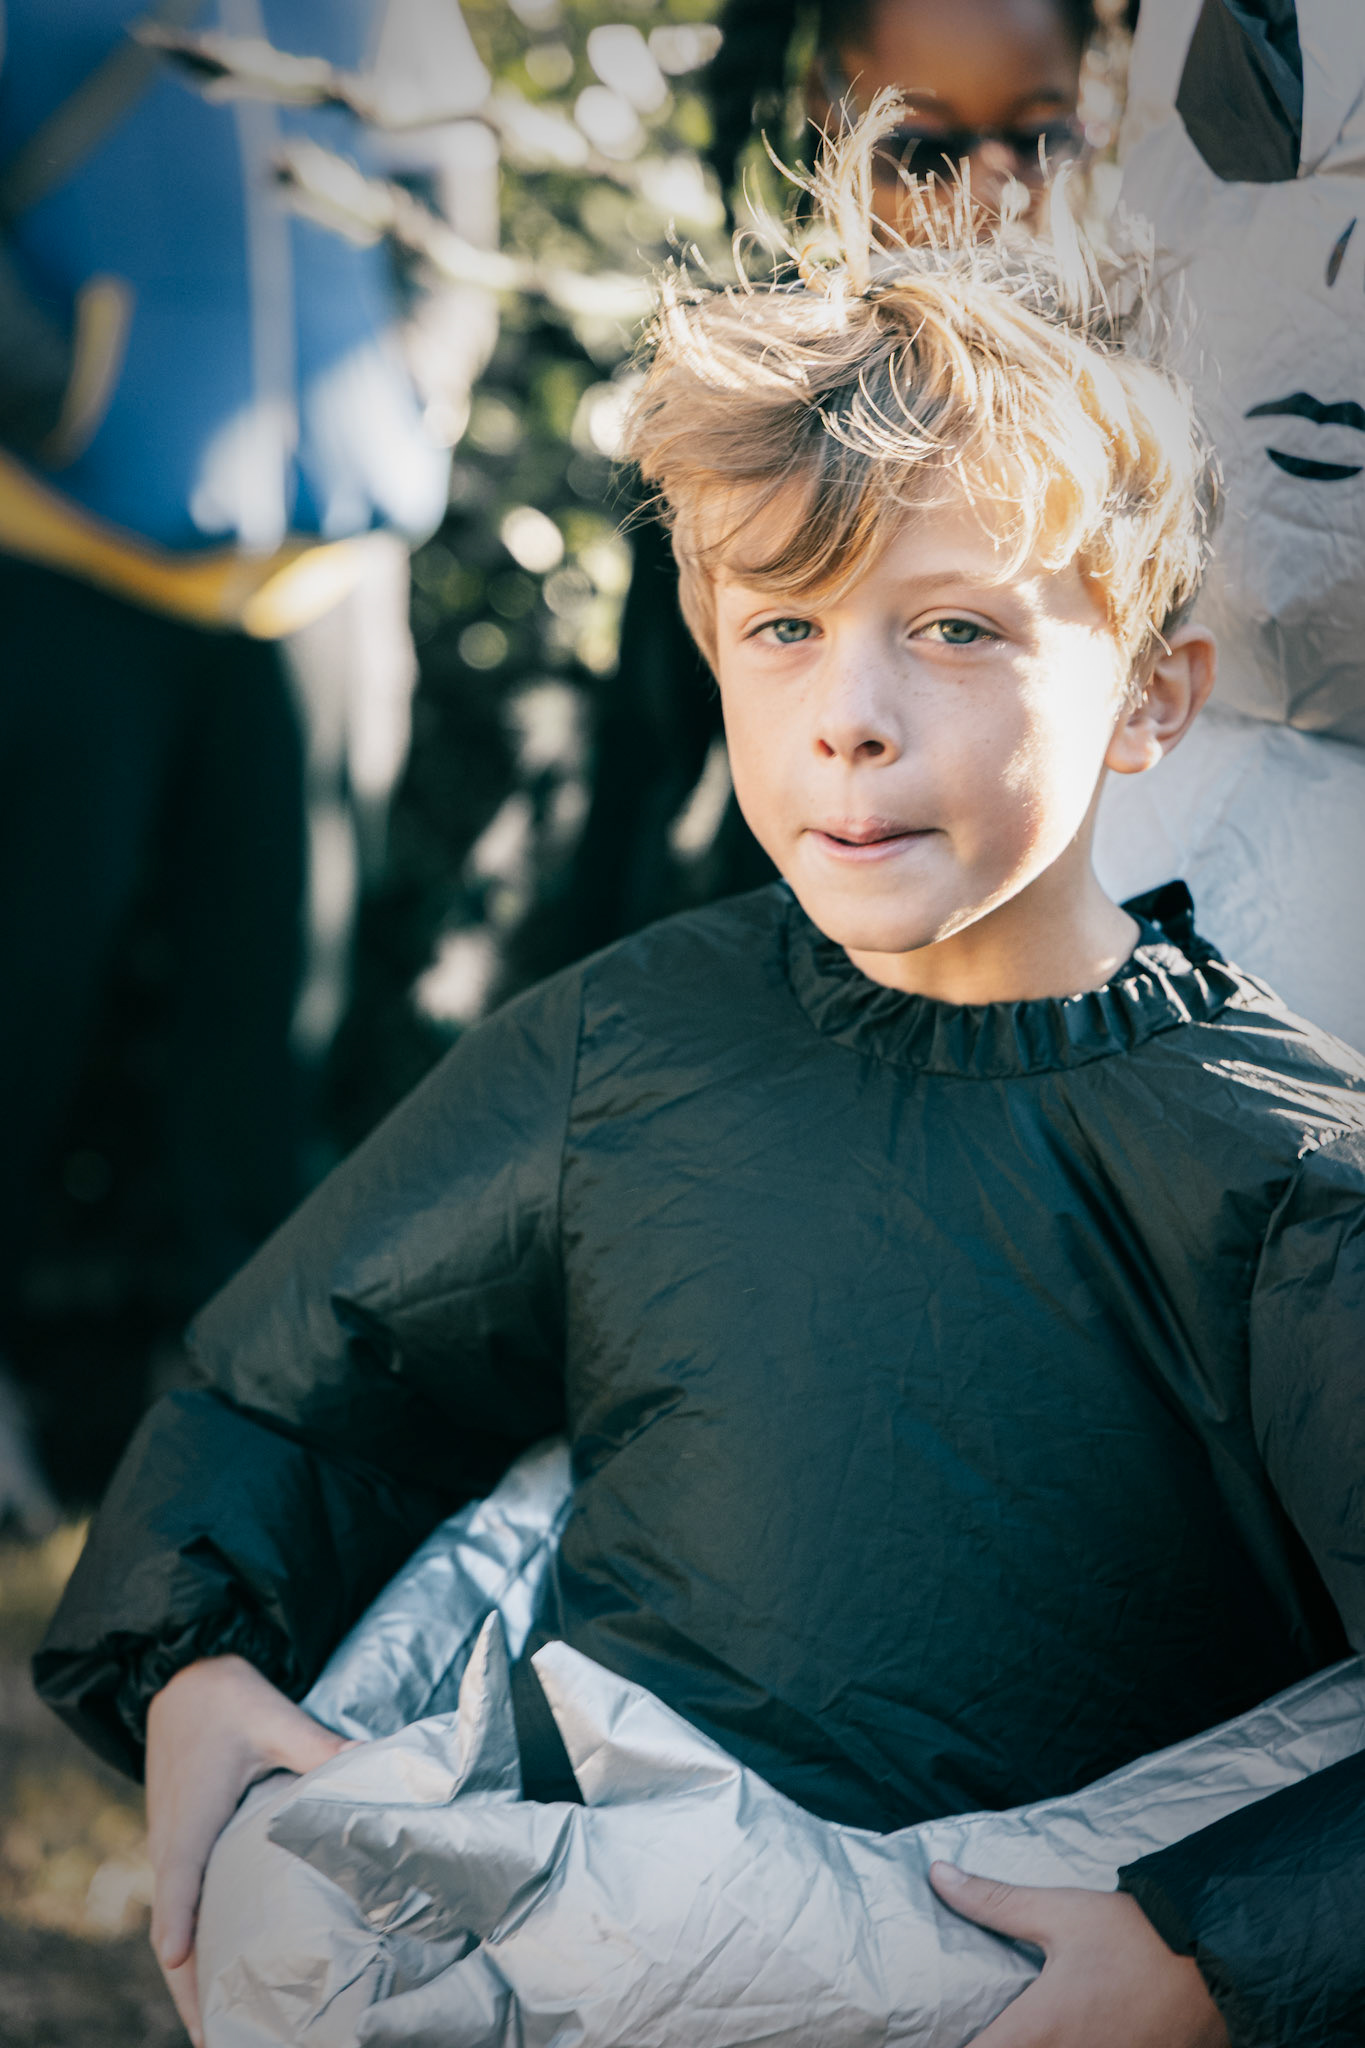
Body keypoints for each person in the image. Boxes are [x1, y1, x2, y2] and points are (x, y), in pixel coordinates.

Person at [35, 108, 1365, 2048]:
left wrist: (1209, 1956)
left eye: (954, 628)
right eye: (786, 627)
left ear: (1152, 691)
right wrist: (195, 1661)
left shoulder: (1275, 1174)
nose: (848, 717)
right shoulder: (630, 1044)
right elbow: (299, 1387)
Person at [532, 0, 1116, 985]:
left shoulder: (1138, 401)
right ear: (825, 113)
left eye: (1039, 140)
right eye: (922, 150)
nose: (989, 190)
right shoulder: (745, 408)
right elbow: (644, 758)